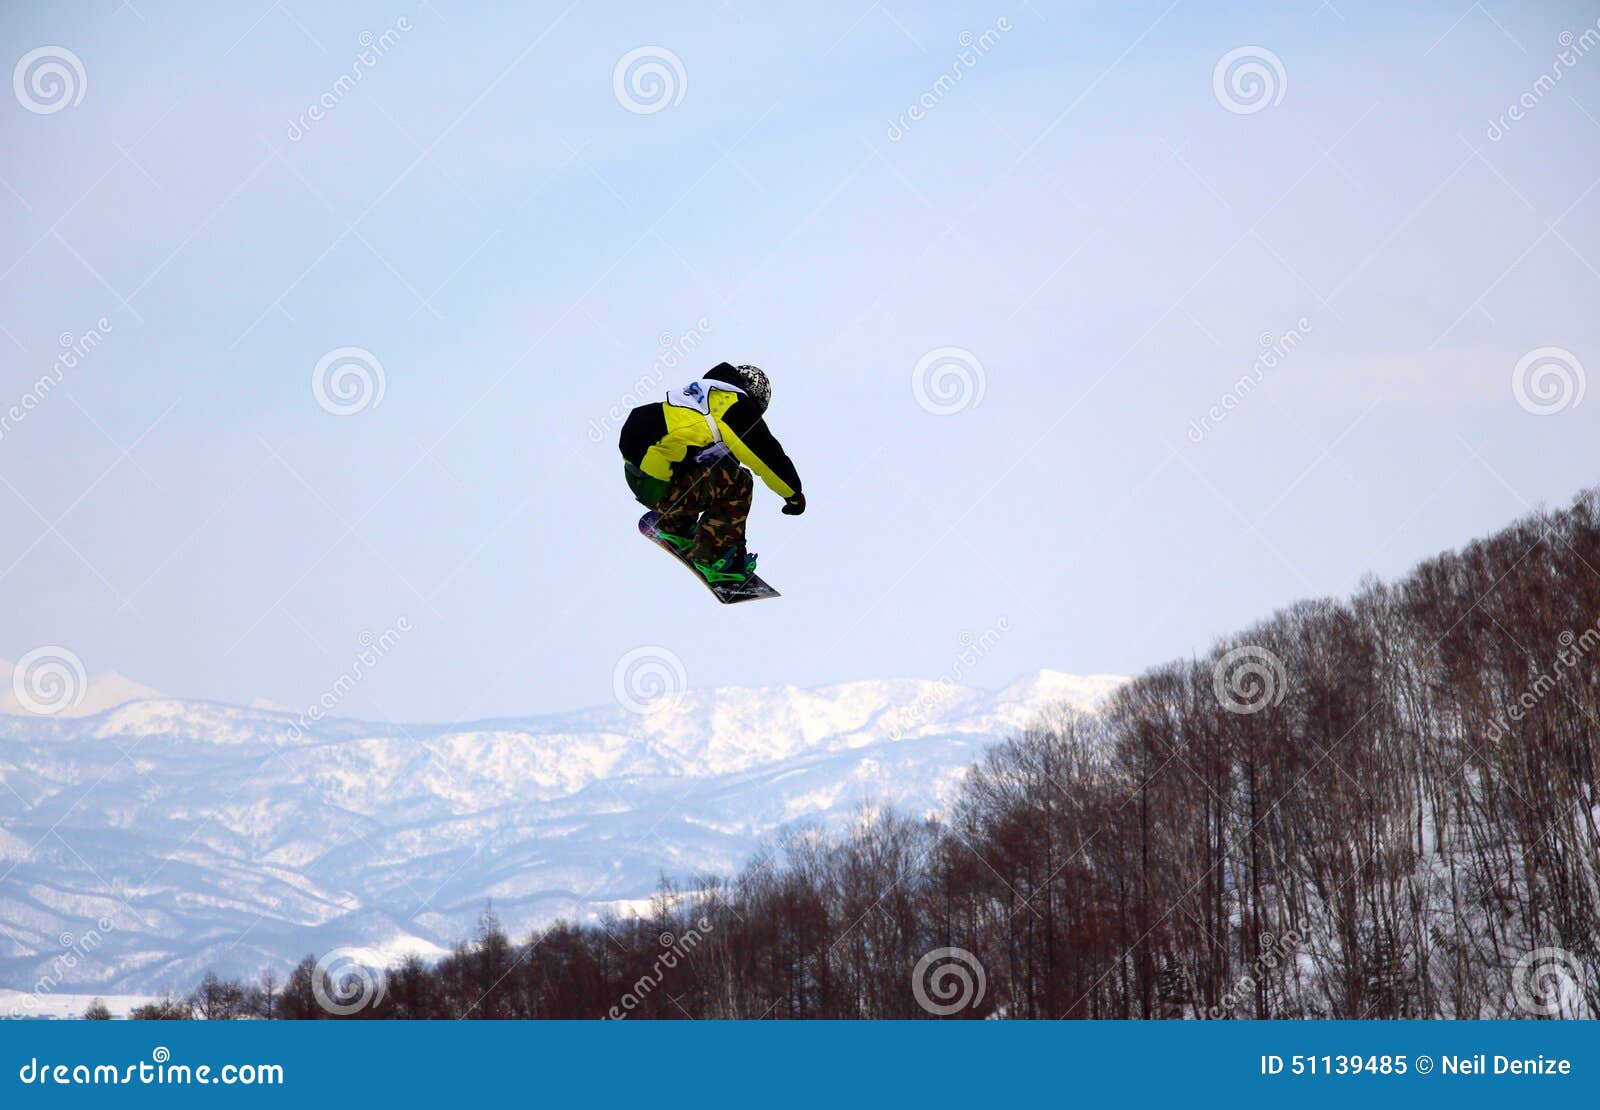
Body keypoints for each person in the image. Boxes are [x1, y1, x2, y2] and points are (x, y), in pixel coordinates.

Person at [619, 363, 805, 584]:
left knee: (722, 466)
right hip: (656, 483)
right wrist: (793, 494)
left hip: (643, 471)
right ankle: (714, 557)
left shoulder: (707, 394)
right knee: (738, 483)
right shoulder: (735, 407)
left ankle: (676, 525)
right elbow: (767, 456)